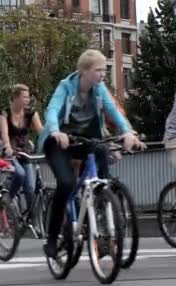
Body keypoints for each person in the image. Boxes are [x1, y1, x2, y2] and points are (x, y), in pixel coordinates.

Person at [38, 49, 144, 258]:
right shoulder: (66, 87)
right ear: (84, 71)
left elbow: (113, 111)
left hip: (87, 140)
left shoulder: (99, 89)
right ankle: (52, 238)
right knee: (67, 184)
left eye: (104, 70)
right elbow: (52, 110)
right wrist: (56, 131)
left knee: (102, 160)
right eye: (98, 70)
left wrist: (127, 132)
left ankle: (102, 210)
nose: (103, 74)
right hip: (59, 142)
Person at [0, 84, 44, 206]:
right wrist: (7, 146)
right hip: (11, 153)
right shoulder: (5, 114)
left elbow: (41, 131)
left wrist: (50, 141)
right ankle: (8, 197)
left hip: (25, 153)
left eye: (28, 97)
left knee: (30, 188)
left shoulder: (31, 113)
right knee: (20, 174)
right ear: (16, 98)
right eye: (24, 97)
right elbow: (4, 133)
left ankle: (31, 220)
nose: (27, 100)